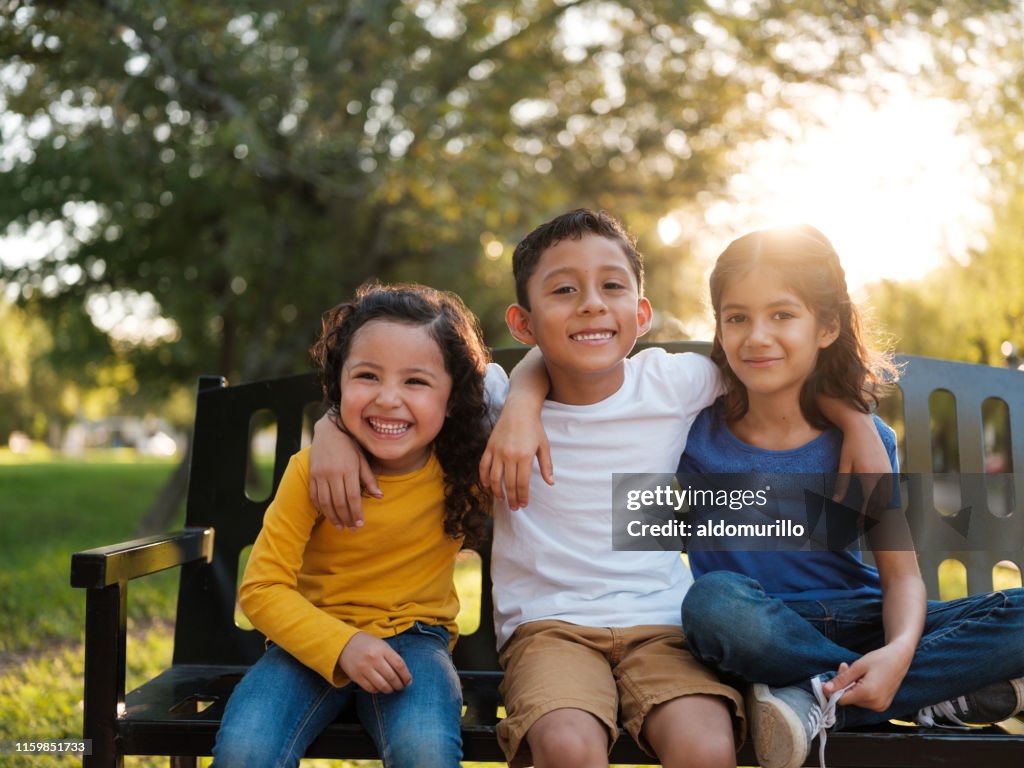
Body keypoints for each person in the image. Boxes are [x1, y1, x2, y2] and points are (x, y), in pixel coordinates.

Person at [309, 210, 888, 768]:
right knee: (568, 748)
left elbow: (775, 368)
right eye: (563, 291)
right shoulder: (490, 397)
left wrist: (857, 421)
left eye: (610, 286)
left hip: (664, 626)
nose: (590, 304)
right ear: (523, 324)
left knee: (707, 748)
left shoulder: (674, 382)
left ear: (641, 314)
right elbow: (395, 387)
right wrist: (331, 426)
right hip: (548, 629)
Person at [676, 225, 1024, 768]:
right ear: (718, 328)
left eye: (783, 315)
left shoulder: (865, 443)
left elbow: (902, 578)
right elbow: (586, 378)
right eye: (736, 317)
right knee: (710, 603)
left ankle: (814, 699)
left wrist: (897, 652)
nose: (757, 336)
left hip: (861, 617)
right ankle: (915, 691)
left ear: (827, 326)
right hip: (758, 629)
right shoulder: (690, 432)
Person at [212, 282, 491, 768]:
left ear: (452, 398)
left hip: (415, 642)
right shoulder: (310, 471)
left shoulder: (463, 469)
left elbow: (543, 377)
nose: (388, 399)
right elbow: (260, 588)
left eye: (416, 382)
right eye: (367, 376)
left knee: (424, 751)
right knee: (245, 751)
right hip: (307, 640)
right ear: (338, 383)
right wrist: (343, 645)